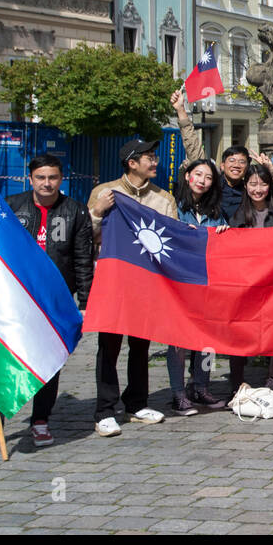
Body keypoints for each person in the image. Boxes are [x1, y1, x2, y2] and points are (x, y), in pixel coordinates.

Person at [0, 154, 95, 453]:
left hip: (54, 301)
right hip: (14, 299)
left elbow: (83, 261)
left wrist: (85, 302)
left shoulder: (75, 211)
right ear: (30, 179)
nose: (47, 183)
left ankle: (40, 420)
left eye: (52, 177)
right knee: (3, 358)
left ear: (61, 179)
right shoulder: (10, 206)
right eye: (41, 178)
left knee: (48, 361)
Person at [87, 138, 178, 437]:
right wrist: (97, 212)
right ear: (132, 162)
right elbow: (87, 237)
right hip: (114, 282)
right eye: (149, 157)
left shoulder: (164, 199)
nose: (155, 162)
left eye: (155, 156)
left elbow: (174, 240)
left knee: (141, 346)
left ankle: (136, 403)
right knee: (109, 347)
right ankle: (104, 410)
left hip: (147, 285)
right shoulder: (105, 192)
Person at [164, 158, 229, 414]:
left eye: (209, 177)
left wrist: (225, 232)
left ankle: (201, 386)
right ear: (188, 175)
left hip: (208, 284)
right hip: (178, 284)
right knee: (178, 341)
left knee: (207, 340)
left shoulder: (216, 212)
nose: (202, 180)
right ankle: (178, 393)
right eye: (198, 174)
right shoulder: (174, 206)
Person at [226, 164, 273, 394]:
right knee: (240, 331)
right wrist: (221, 234)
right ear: (245, 186)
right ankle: (237, 381)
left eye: (263, 184)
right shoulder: (236, 216)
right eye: (253, 184)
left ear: (270, 186)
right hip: (246, 283)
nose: (258, 189)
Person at [218, 144, 273, 220]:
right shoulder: (212, 187)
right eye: (232, 160)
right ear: (222, 165)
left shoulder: (252, 189)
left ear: (247, 167)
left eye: (242, 162)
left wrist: (271, 170)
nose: (236, 165)